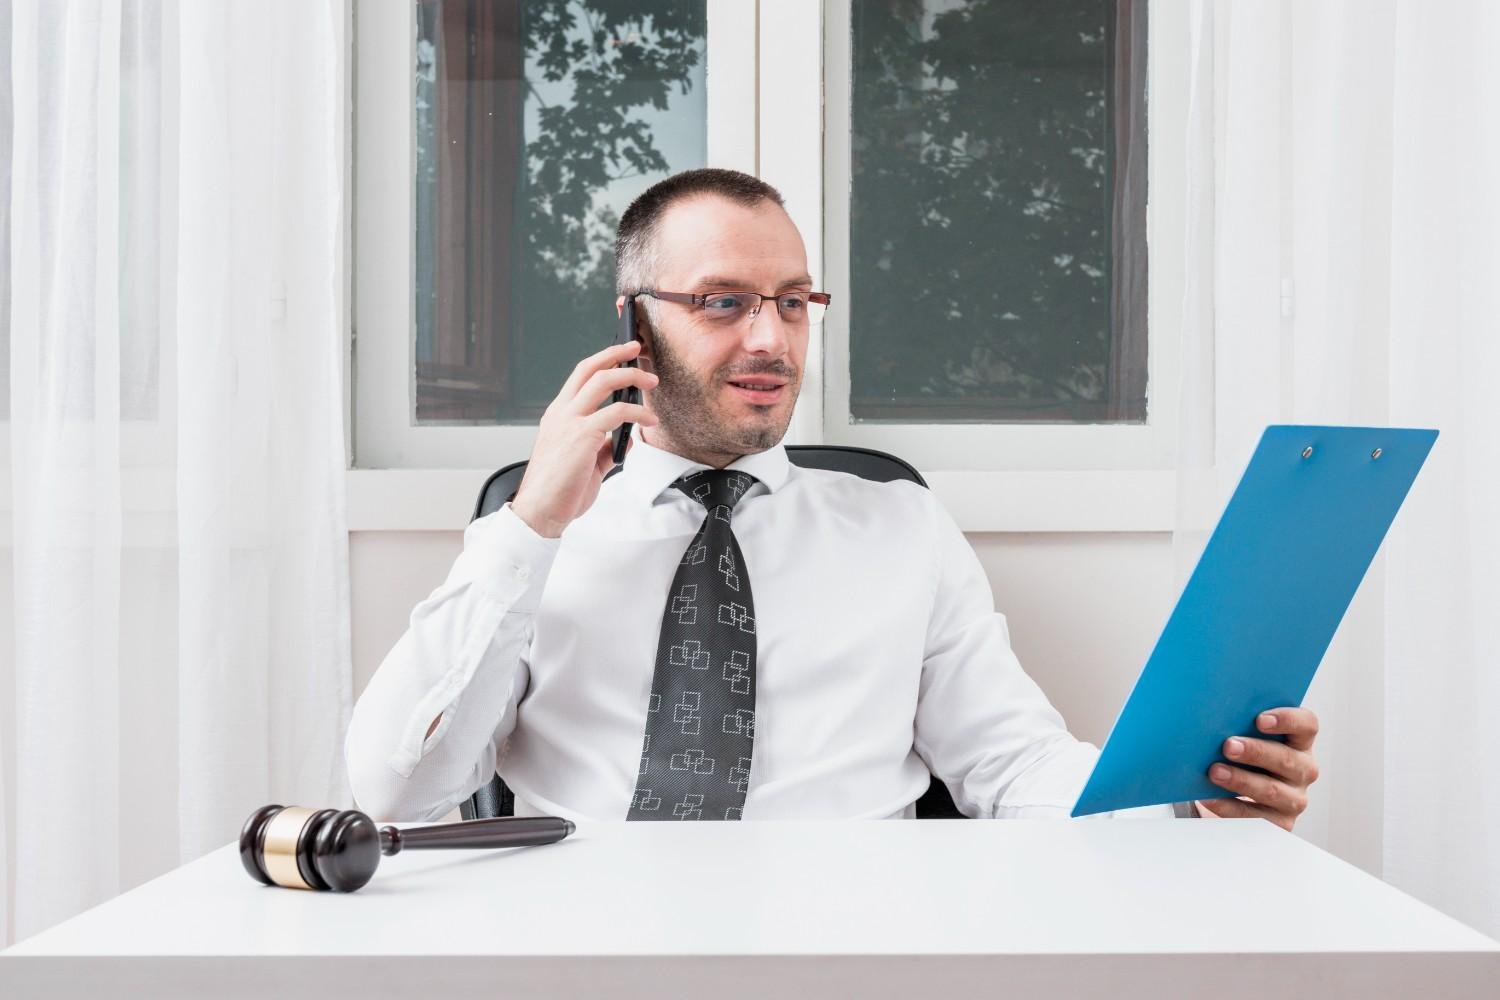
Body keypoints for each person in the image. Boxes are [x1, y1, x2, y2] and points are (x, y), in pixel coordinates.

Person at [345, 168, 1319, 826]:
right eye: (723, 301)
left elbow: (1013, 766)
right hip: (592, 951)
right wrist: (531, 527)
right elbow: (396, 788)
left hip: (857, 949)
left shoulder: (900, 526)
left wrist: (1189, 794)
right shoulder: (531, 542)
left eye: (792, 301)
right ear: (635, 323)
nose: (770, 340)